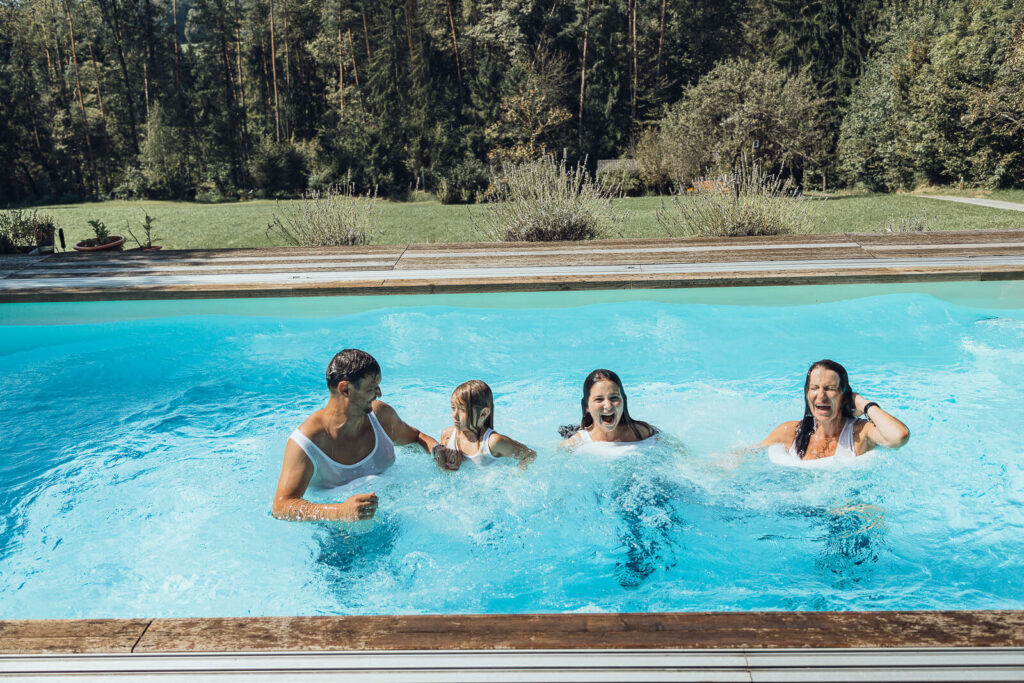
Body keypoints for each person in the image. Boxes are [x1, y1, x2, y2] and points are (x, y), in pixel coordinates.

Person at [272, 349, 439, 522]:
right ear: (345, 389)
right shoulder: (307, 443)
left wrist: (437, 451)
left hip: (396, 520)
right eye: (371, 388)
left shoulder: (380, 416)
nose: (379, 393)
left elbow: (416, 437)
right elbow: (281, 506)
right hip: (340, 536)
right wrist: (339, 512)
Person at [759, 359, 910, 461]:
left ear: (844, 396)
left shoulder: (860, 432)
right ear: (806, 393)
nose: (821, 396)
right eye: (814, 388)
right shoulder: (790, 432)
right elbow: (749, 454)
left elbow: (899, 436)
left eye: (830, 389)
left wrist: (864, 404)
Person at [434, 380, 536, 470]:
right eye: (453, 407)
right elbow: (442, 471)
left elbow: (530, 455)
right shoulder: (447, 435)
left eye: (462, 410)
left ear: (484, 413)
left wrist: (514, 476)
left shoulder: (493, 442)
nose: (455, 415)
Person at [559, 369, 657, 447]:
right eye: (599, 399)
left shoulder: (642, 433)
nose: (608, 406)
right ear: (586, 407)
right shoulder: (574, 444)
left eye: (614, 398)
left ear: (623, 401)